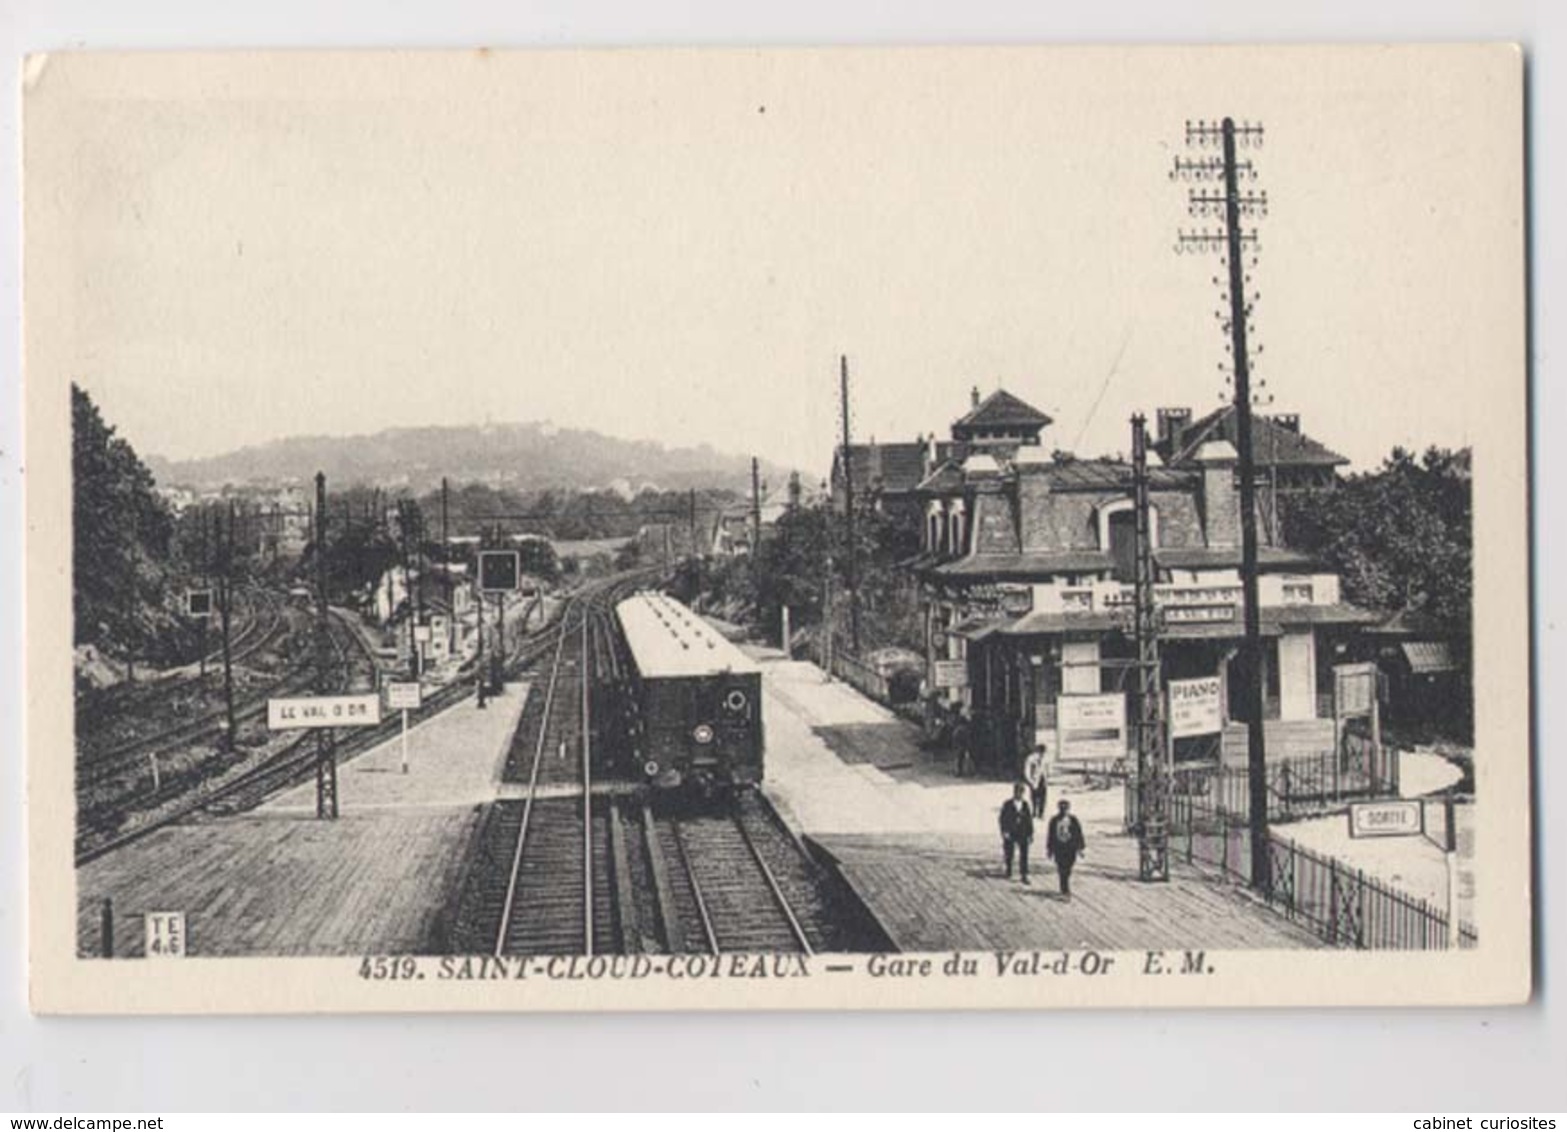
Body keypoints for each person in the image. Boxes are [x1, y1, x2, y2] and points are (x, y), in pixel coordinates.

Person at [1045, 798, 1086, 899]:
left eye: (1066, 809)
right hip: (1059, 848)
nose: (1064, 811)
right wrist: (1050, 849)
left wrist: (1080, 848)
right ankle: (1065, 889)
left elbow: (1078, 834)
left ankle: (1065, 884)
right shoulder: (1054, 820)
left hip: (1070, 848)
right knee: (1061, 868)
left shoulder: (1073, 820)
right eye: (1061, 809)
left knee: (1068, 867)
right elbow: (1051, 835)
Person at [997, 781, 1035, 884]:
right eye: (1018, 792)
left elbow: (1029, 820)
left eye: (1022, 792)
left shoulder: (1025, 805)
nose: (1020, 794)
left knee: (1024, 854)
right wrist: (1004, 831)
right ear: (1014, 792)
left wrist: (1030, 834)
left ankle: (1024, 874)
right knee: (1009, 852)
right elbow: (1002, 819)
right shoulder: (1008, 804)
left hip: (1022, 832)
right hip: (1011, 831)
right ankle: (1009, 869)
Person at [1022, 744, 1048, 818]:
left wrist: (1047, 778)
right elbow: (1027, 770)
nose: (1042, 754)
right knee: (1034, 796)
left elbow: (1047, 768)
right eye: (1040, 752)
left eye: (1043, 752)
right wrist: (1030, 780)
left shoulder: (1045, 758)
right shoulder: (1031, 758)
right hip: (1034, 779)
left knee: (1043, 797)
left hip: (1043, 779)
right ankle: (1034, 811)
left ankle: (1041, 813)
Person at [951, 708, 974, 778]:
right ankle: (962, 770)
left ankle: (958, 771)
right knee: (962, 754)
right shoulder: (965, 724)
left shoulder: (959, 720)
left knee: (958, 755)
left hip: (958, 735)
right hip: (962, 736)